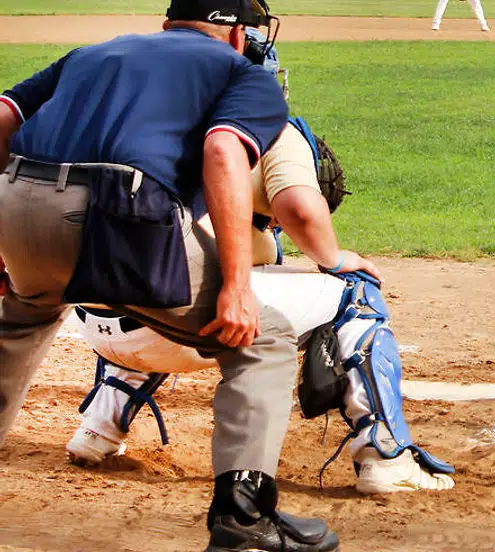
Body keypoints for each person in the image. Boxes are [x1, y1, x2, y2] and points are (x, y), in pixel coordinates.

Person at [0, 0, 342, 552]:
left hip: (17, 197)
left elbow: (4, 115)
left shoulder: (92, 53)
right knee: (262, 338)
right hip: (120, 211)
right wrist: (236, 286)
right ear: (238, 34)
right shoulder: (243, 73)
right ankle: (242, 519)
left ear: (167, 25)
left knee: (21, 319)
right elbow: (222, 153)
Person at [66, 41, 454, 496]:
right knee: (356, 294)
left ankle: (98, 429)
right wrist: (334, 258)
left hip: (96, 318)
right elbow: (300, 210)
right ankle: (385, 456)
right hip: (179, 325)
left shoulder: (136, 120)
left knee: (154, 275)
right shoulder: (265, 127)